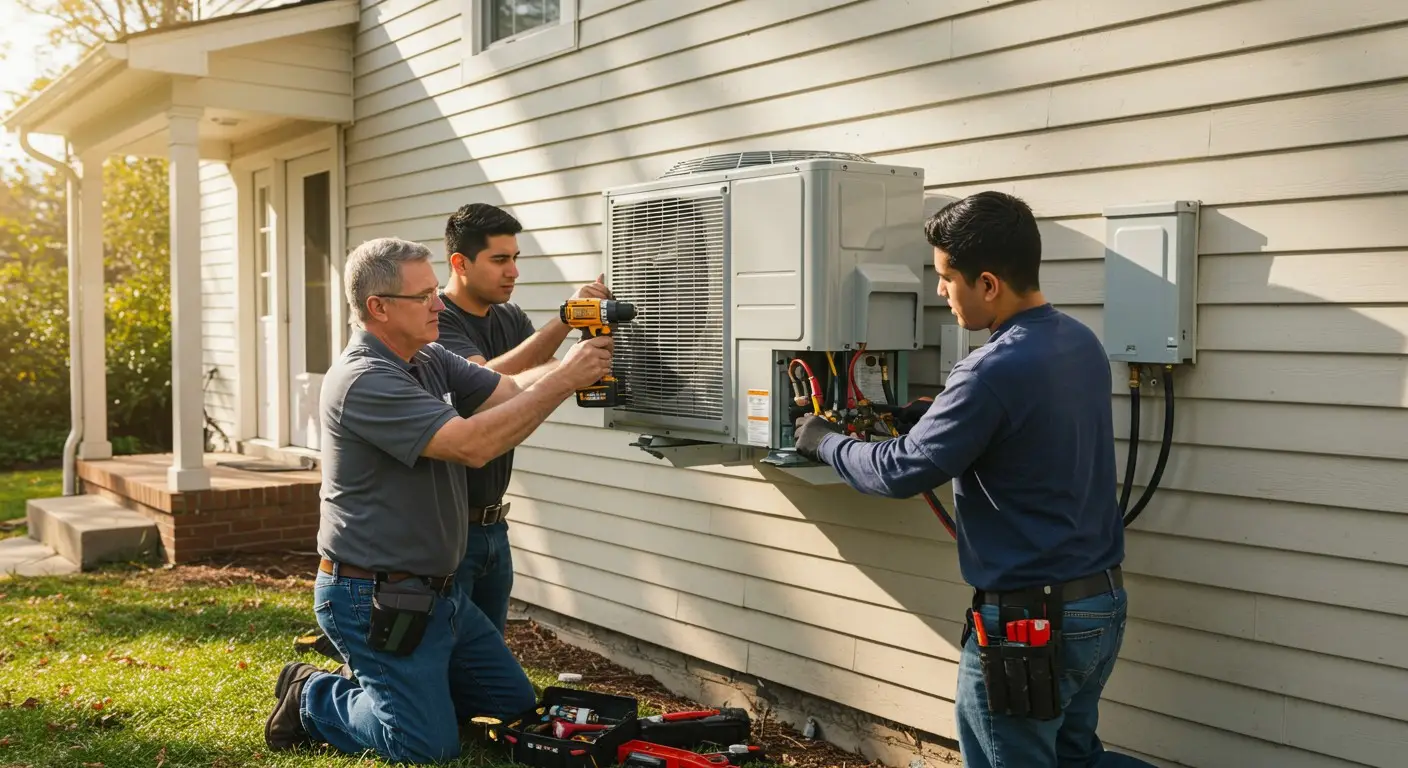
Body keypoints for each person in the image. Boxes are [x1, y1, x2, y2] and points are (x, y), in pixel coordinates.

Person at [790, 192, 1150, 768]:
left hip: (1029, 627)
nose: (940, 292)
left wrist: (823, 442)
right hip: (1100, 605)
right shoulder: (1079, 342)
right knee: (1078, 759)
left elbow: (901, 471)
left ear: (987, 284)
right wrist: (939, 415)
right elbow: (1030, 431)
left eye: (945, 277)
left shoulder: (987, 372)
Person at [264, 237, 614, 764]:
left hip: (440, 594)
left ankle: (407, 691)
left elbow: (509, 391)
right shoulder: (366, 379)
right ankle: (313, 695)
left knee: (511, 704)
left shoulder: (427, 357)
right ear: (379, 308)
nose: (438, 304)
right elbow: (472, 445)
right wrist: (567, 378)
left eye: (434, 291)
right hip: (373, 595)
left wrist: (578, 362)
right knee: (424, 746)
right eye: (424, 295)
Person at [434, 202, 611, 635]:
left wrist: (575, 328)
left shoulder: (508, 316)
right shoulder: (437, 320)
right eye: (499, 260)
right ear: (460, 263)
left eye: (515, 259)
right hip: (449, 531)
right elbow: (486, 384)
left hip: (495, 526)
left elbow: (536, 371)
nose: (513, 271)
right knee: (448, 656)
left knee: (489, 655)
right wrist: (565, 321)